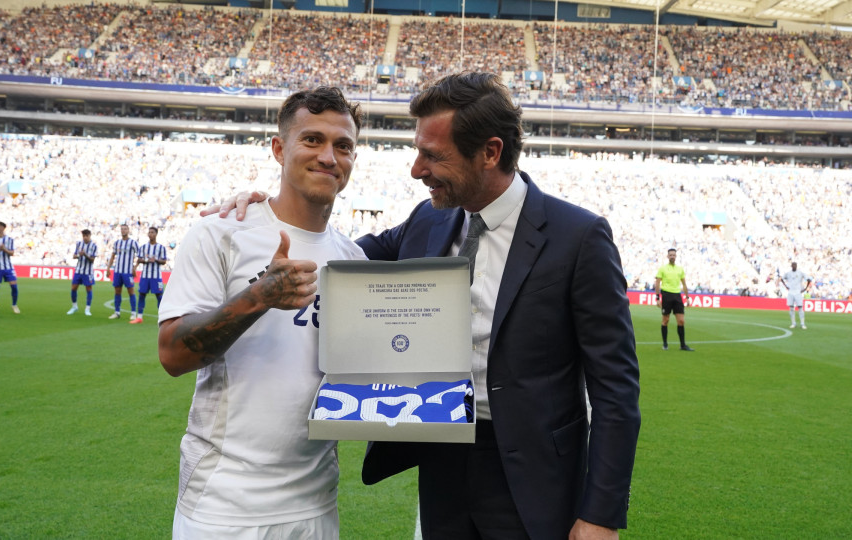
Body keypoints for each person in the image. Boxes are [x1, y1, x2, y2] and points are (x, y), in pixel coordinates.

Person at [208, 72, 641, 540]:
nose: (416, 169)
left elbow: (616, 389)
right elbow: (334, 253)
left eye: (433, 156)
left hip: (536, 475)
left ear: (490, 153)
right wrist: (263, 212)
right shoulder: (428, 219)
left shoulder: (578, 237)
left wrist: (601, 514)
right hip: (441, 463)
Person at [157, 87, 366, 539]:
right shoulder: (222, 232)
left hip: (316, 504)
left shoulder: (354, 261)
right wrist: (260, 297)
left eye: (343, 145)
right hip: (225, 506)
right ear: (279, 148)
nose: (329, 157)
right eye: (312, 140)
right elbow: (173, 354)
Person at [654, 248, 694, 351]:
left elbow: (684, 284)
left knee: (681, 321)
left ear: (676, 257)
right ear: (667, 256)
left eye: (674, 255)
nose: (672, 256)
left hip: (677, 295)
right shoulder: (662, 268)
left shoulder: (680, 269)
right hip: (666, 295)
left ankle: (683, 345)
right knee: (665, 320)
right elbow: (657, 283)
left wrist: (687, 297)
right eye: (670, 255)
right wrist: (658, 297)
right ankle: (665, 344)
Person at [131, 226, 166, 324]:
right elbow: (139, 259)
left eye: (152, 232)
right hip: (145, 276)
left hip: (156, 276)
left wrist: (156, 260)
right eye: (149, 232)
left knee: (159, 296)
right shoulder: (143, 247)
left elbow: (164, 261)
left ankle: (162, 317)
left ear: (156, 234)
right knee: (142, 295)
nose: (150, 234)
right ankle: (139, 317)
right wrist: (146, 260)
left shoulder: (161, 248)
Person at [106, 224, 139, 321]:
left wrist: (135, 267)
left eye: (125, 229)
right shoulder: (117, 243)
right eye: (122, 229)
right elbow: (113, 256)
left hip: (128, 271)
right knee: (117, 291)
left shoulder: (133, 243)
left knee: (131, 291)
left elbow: (140, 256)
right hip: (117, 271)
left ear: (128, 230)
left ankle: (133, 313)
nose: (123, 231)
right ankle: (117, 312)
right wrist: (108, 268)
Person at [0, 221, 20, 314]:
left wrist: (4, 249)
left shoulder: (10, 240)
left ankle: (14, 304)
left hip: (8, 267)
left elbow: (12, 253)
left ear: (2, 228)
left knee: (14, 286)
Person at [67, 229, 97, 316]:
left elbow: (92, 260)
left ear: (90, 236)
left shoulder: (94, 246)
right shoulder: (79, 244)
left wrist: (85, 254)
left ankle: (87, 309)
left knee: (88, 289)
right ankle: (74, 307)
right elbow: (74, 256)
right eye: (83, 236)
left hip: (88, 272)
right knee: (73, 288)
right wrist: (78, 255)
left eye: (86, 236)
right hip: (78, 270)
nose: (85, 238)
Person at [779, 261, 811, 329]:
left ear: (796, 266)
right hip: (791, 292)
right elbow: (781, 278)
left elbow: (808, 279)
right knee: (791, 308)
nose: (794, 266)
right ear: (791, 266)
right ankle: (793, 323)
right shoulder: (788, 273)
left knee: (800, 307)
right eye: (793, 265)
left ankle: (802, 323)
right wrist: (786, 286)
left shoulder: (800, 273)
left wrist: (805, 288)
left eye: (795, 265)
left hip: (798, 292)